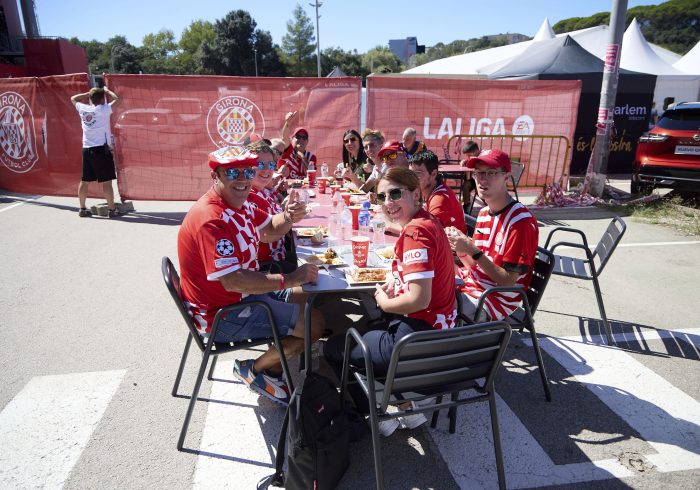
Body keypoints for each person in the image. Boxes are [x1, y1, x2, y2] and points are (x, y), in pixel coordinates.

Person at [177, 146, 325, 406]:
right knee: (316, 323)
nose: (243, 178)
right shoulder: (211, 218)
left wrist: (289, 216)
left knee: (310, 294)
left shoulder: (239, 205)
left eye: (248, 171)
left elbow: (269, 229)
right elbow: (233, 279)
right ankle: (254, 369)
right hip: (223, 314)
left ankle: (277, 365)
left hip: (241, 296)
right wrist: (290, 278)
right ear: (216, 176)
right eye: (233, 172)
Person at [324, 167, 457, 435]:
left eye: (395, 193)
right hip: (443, 337)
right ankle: (408, 408)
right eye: (381, 196)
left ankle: (379, 416)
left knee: (334, 347)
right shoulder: (428, 222)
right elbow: (425, 283)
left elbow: (419, 299)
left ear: (416, 195)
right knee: (370, 327)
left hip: (416, 344)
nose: (388, 203)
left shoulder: (414, 233)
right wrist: (397, 282)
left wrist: (385, 303)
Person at [446, 149, 538, 322]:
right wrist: (459, 247)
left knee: (428, 303)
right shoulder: (484, 212)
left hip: (493, 300)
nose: (482, 180)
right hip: (472, 286)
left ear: (506, 176)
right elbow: (474, 265)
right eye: (479, 173)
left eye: (491, 173)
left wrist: (472, 250)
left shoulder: (520, 222)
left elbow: (507, 281)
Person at [246, 140, 296, 273]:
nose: (267, 169)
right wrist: (290, 215)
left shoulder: (261, 190)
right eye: (260, 164)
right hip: (268, 267)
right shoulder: (248, 196)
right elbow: (268, 234)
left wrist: (288, 209)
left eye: (271, 164)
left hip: (280, 254)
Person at [71, 86, 121, 218]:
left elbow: (73, 98)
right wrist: (107, 90)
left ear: (91, 98)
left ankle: (82, 208)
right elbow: (118, 99)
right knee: (107, 182)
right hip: (101, 149)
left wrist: (89, 93)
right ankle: (112, 210)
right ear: (102, 98)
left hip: (86, 149)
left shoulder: (83, 108)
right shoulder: (103, 110)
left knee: (85, 180)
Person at [409, 150, 467, 233]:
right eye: (410, 173)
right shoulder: (425, 189)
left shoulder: (440, 199)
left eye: (418, 173)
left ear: (433, 174)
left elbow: (424, 233)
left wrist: (390, 227)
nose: (412, 178)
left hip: (450, 245)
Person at [459, 140, 480, 204]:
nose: (468, 157)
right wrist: (464, 161)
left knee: (482, 191)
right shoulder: (472, 157)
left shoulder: (483, 156)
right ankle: (466, 209)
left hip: (484, 180)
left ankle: (490, 207)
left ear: (476, 151)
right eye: (467, 156)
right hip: (476, 179)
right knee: (466, 186)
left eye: (469, 155)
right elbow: (468, 160)